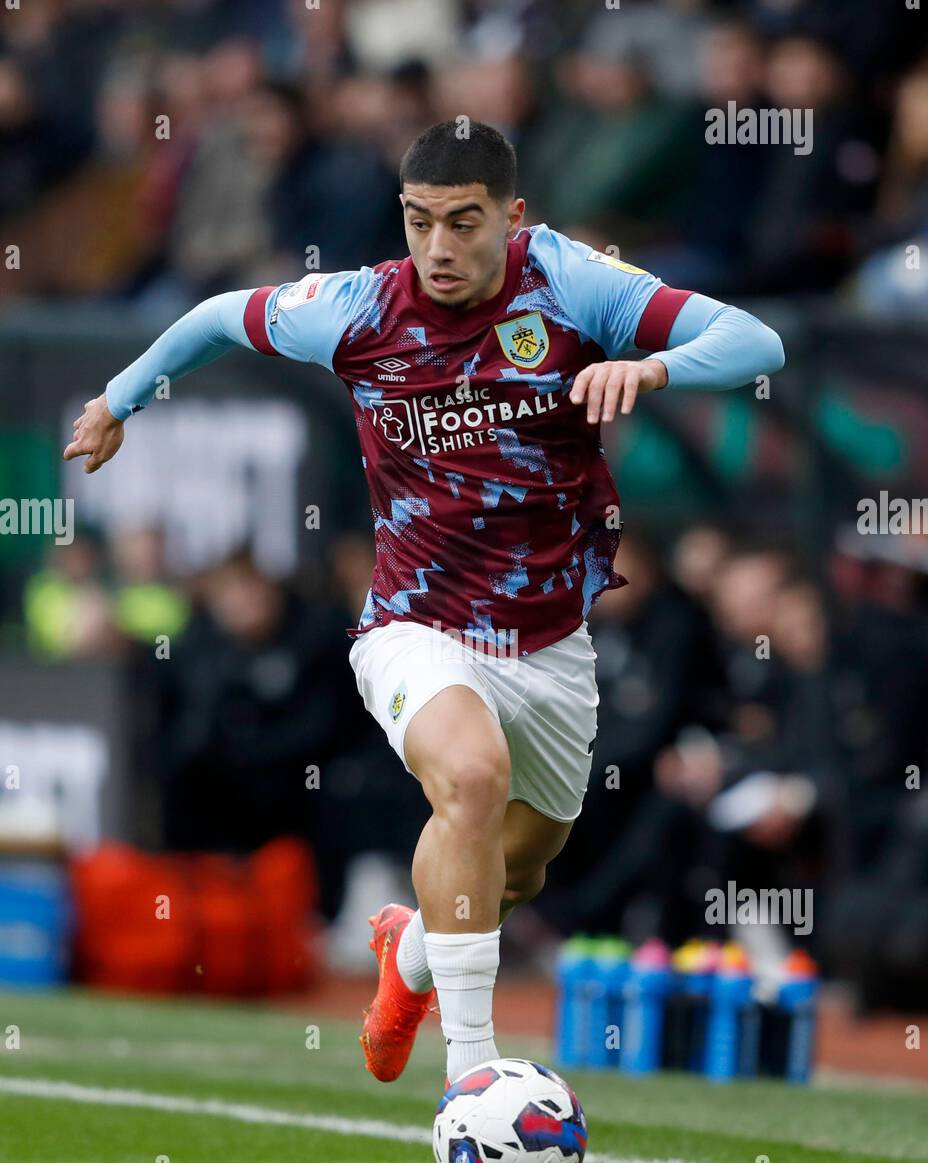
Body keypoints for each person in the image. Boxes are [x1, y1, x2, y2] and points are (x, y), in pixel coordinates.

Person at [63, 119, 785, 1089]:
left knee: (515, 870)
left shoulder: (572, 285)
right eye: (419, 222)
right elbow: (214, 318)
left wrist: (650, 366)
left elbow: (756, 339)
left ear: (511, 217)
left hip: (548, 640)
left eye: (463, 223)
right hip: (416, 623)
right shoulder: (358, 308)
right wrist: (119, 399)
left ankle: (407, 954)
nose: (439, 248)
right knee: (472, 781)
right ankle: (476, 1079)